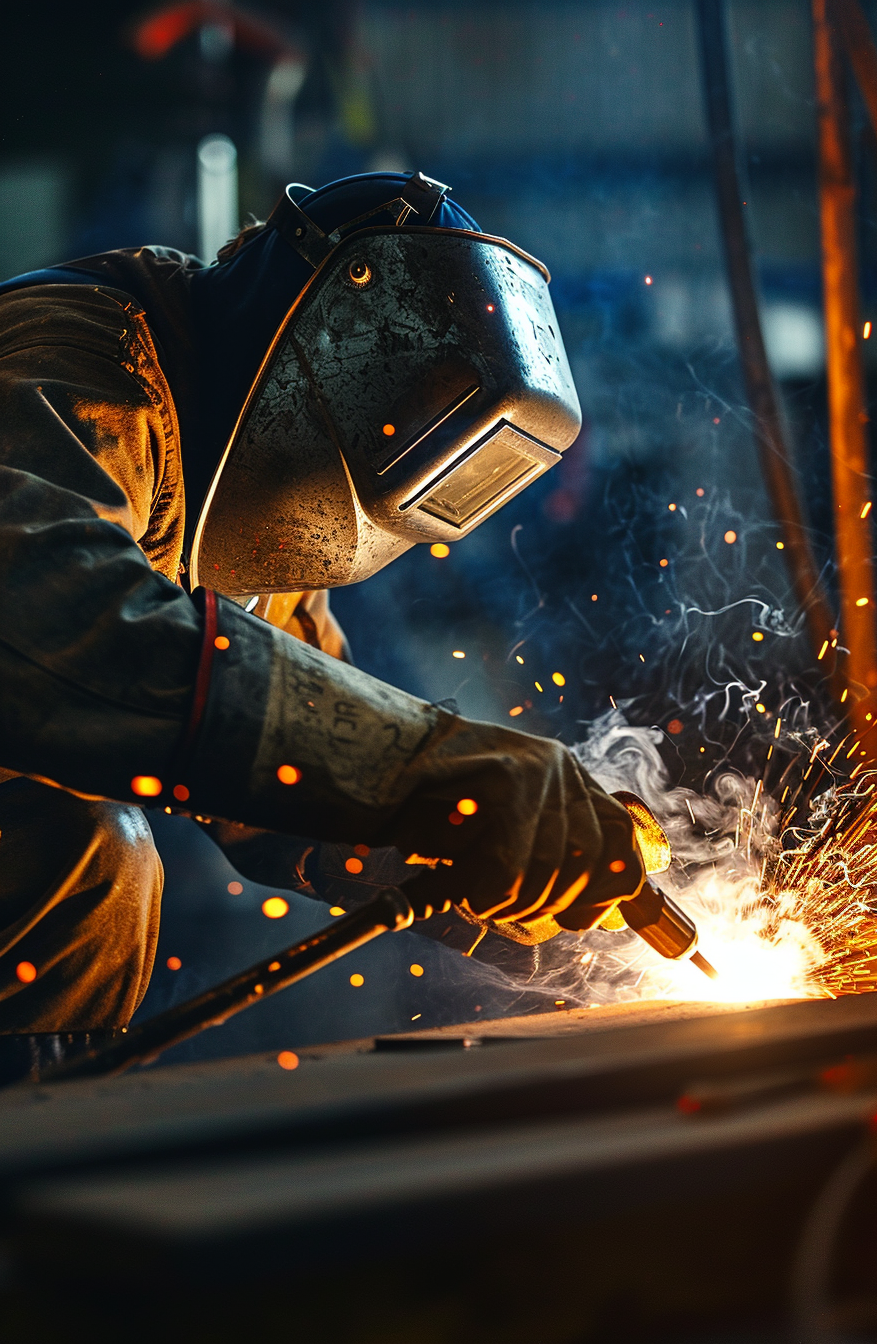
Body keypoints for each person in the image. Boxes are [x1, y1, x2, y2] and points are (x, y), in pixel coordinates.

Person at [0, 171, 644, 1058]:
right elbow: (60, 631)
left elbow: (296, 771)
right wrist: (435, 770)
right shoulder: (75, 369)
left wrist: (497, 858)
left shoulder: (233, 484)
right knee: (77, 854)